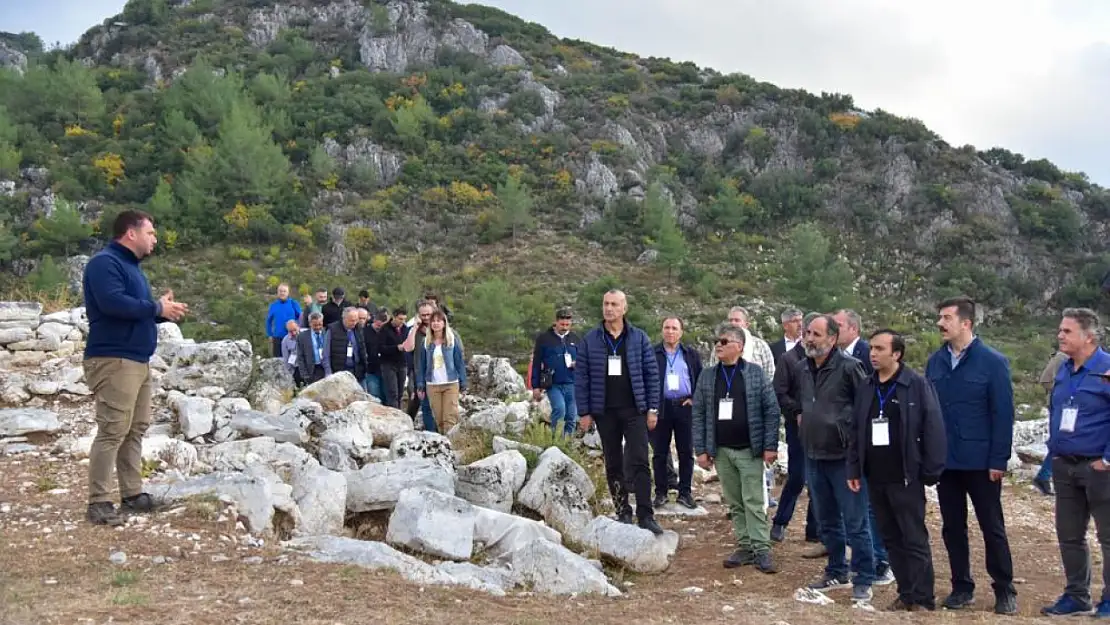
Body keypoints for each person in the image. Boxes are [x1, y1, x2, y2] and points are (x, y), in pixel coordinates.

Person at [82, 210, 188, 526]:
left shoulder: (131, 268)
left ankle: (132, 494)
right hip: (114, 359)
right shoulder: (105, 264)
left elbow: (132, 310)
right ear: (131, 233)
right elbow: (112, 303)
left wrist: (160, 312)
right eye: (151, 232)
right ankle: (99, 502)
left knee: (135, 428)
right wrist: (155, 307)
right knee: (113, 428)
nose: (154, 238)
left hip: (137, 360)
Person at [925, 296, 1017, 615]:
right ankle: (961, 587)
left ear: (966, 323)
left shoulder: (992, 362)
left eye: (947, 317)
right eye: (940, 317)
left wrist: (998, 460)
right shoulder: (935, 362)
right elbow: (929, 412)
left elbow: (1003, 413)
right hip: (946, 462)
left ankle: (1005, 589)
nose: (940, 323)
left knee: (992, 526)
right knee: (952, 527)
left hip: (981, 462)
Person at [847, 329, 946, 612]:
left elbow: (933, 427)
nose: (872, 354)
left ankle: (923, 598)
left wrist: (930, 471)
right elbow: (856, 430)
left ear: (897, 354)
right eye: (872, 348)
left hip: (906, 476)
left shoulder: (915, 384)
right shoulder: (867, 386)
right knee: (890, 538)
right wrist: (854, 468)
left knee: (913, 538)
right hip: (875, 476)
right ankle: (906, 593)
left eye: (879, 349)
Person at [797, 314, 878, 604]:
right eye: (807, 332)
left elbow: (866, 410)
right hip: (813, 455)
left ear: (832, 338)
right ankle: (836, 570)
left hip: (844, 459)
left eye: (816, 334)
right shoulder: (802, 369)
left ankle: (864, 577)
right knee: (826, 520)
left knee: (856, 522)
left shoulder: (850, 368)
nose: (809, 338)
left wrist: (857, 452)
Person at [693, 323, 780, 573]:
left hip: (749, 450)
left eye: (724, 342)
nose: (717, 346)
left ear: (739, 347)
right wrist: (701, 448)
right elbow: (698, 413)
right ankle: (745, 546)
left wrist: (770, 445)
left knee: (753, 499)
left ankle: (761, 548)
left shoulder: (755, 373)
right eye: (716, 342)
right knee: (734, 502)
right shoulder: (708, 375)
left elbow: (771, 410)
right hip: (721, 451)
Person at [576, 290, 664, 535]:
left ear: (624, 308)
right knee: (613, 462)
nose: (609, 308)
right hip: (604, 411)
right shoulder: (591, 339)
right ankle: (623, 511)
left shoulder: (639, 338)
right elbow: (581, 376)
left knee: (639, 460)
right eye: (605, 304)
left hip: (635, 409)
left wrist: (652, 409)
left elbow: (651, 375)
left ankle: (646, 514)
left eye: (614, 304)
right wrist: (584, 411)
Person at [1040, 309, 1110, 617]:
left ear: (1089, 337)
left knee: (1107, 536)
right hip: (1064, 465)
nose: (1060, 335)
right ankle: (1076, 596)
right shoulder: (1063, 369)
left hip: (1099, 467)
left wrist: (1107, 459)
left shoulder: (1107, 369)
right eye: (1060, 330)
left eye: (1067, 331)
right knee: (1069, 535)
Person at [770, 309, 819, 545]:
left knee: (819, 478)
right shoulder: (789, 360)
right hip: (798, 427)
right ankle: (780, 522)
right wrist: (797, 411)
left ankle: (814, 529)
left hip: (826, 430)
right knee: (798, 475)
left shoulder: (830, 360)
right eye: (811, 333)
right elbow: (779, 393)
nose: (813, 338)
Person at [653, 316, 703, 509]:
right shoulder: (652, 353)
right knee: (659, 452)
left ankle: (685, 492)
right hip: (661, 406)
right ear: (662, 330)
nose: (670, 331)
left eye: (674, 328)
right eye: (667, 327)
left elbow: (700, 378)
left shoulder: (690, 354)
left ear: (681, 332)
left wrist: (695, 399)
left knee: (685, 451)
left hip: (684, 407)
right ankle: (660, 492)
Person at [531, 307, 581, 437]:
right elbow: (536, 364)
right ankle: (555, 440)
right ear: (556, 322)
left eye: (567, 324)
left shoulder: (575, 339)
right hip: (553, 383)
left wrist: (579, 364)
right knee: (559, 409)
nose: (565, 327)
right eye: (562, 324)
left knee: (571, 415)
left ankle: (567, 442)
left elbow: (584, 360)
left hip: (572, 383)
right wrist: (535, 386)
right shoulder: (544, 339)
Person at [415, 309, 466, 433]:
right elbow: (421, 365)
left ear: (444, 323)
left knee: (450, 418)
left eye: (439, 321)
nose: (436, 323)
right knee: (438, 419)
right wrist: (420, 385)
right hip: (433, 385)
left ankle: (450, 445)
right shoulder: (425, 342)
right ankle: (443, 444)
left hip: (451, 383)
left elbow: (459, 362)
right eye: (433, 321)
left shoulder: (452, 340)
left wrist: (463, 383)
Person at [1034, 350, 1070, 496]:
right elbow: (1045, 379)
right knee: (1059, 440)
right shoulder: (1062, 357)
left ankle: (1046, 476)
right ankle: (1044, 476)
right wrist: (1062, 392)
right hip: (1060, 406)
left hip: (1073, 407)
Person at [321, 308, 369, 379]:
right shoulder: (332, 330)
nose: (354, 323)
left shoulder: (358, 329)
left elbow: (362, 349)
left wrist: (365, 367)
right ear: (344, 318)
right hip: (339, 372)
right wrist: (328, 372)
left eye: (356, 320)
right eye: (352, 320)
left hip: (357, 371)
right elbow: (325, 353)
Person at [265, 283, 302, 358]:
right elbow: (268, 321)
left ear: (288, 293)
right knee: (278, 360)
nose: (282, 293)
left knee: (293, 359)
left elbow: (301, 318)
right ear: (277, 292)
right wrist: (270, 335)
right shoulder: (273, 305)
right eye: (280, 291)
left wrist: (298, 330)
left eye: (284, 291)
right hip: (277, 338)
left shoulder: (293, 303)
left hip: (292, 336)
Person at [295, 312, 327, 385]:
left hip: (327, 369)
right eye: (315, 325)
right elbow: (300, 357)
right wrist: (304, 375)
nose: (318, 327)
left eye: (320, 324)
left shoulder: (327, 332)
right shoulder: (302, 337)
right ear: (310, 324)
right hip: (312, 370)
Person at [280, 319, 302, 386]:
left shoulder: (305, 334)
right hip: (296, 368)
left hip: (308, 366)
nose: (294, 333)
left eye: (295, 330)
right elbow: (286, 359)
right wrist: (291, 374)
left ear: (298, 327)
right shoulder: (285, 341)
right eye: (290, 331)